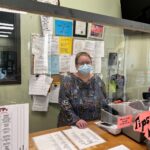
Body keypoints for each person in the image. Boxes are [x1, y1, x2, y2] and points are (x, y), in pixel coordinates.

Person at [57, 52, 107, 128]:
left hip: (94, 124)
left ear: (91, 63)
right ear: (76, 65)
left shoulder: (98, 80)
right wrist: (76, 120)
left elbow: (105, 100)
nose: (85, 65)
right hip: (72, 124)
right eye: (82, 63)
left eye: (88, 63)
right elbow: (64, 103)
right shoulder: (67, 80)